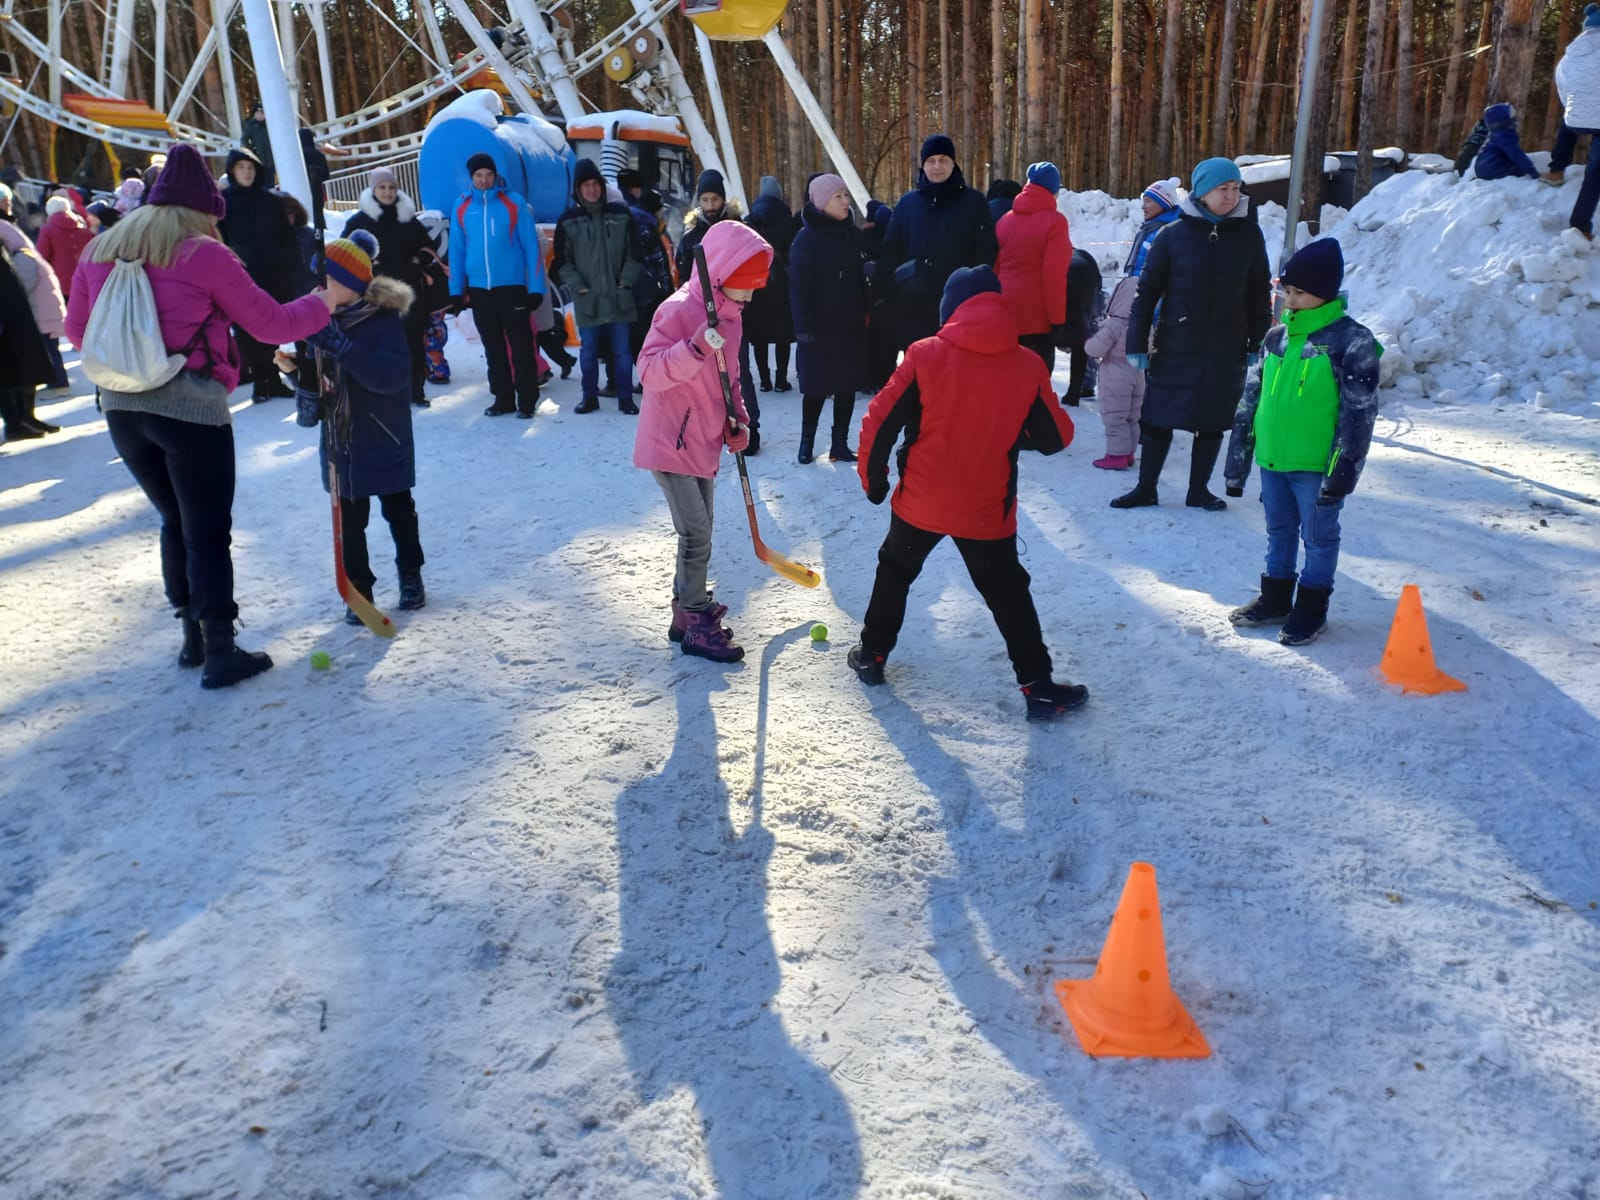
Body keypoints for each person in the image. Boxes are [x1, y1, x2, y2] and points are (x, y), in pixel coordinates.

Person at [64, 143, 335, 689]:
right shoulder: (204, 255)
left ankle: (190, 634)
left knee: (174, 521)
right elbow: (271, 325)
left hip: (121, 410)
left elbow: (76, 332)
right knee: (207, 531)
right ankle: (220, 649)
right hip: (189, 409)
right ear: (203, 209)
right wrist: (325, 302)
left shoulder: (101, 249)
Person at [850, 265, 1086, 721]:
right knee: (1007, 592)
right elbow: (1057, 437)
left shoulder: (923, 354)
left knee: (895, 570)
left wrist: (874, 481)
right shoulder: (1026, 363)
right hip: (985, 509)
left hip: (921, 500)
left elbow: (879, 421)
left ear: (950, 310)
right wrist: (1011, 424)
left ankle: (872, 654)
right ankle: (1037, 685)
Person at [1223, 238, 1381, 645]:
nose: (1289, 301)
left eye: (1300, 293)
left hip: (1316, 466)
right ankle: (1275, 597)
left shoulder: (1352, 341)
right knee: (1279, 529)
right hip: (1274, 459)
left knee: (1318, 535)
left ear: (1325, 293)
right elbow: (1251, 398)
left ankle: (1311, 606)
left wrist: (1343, 470)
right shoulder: (1275, 338)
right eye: (1286, 291)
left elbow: (1358, 415)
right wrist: (1239, 460)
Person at [633, 220, 771, 663]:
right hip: (669, 440)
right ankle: (693, 617)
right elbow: (649, 372)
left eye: (753, 290)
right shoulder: (677, 311)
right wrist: (692, 350)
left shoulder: (730, 317)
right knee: (696, 534)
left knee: (701, 530)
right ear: (718, 276)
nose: (749, 298)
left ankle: (684, 610)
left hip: (703, 441)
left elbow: (729, 379)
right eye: (742, 287)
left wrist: (739, 421)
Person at [279, 232, 428, 618]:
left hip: (383, 433)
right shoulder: (320, 323)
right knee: (349, 521)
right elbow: (319, 388)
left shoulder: (383, 322)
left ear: (351, 285)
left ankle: (410, 574)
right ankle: (359, 588)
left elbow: (391, 377)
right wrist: (297, 372)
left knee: (398, 509)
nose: (317, 288)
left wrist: (342, 346)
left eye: (324, 281)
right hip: (341, 440)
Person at [1115, 156, 1270, 511]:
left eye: (1235, 188)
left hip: (1227, 345)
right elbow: (1147, 292)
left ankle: (1198, 490)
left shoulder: (1249, 234)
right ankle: (1146, 488)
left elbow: (1259, 290)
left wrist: (1257, 340)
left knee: (1212, 421)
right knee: (1157, 419)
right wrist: (1137, 342)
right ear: (1202, 192)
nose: (1230, 196)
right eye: (1222, 189)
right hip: (1177, 344)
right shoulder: (1174, 235)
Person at [876, 133, 998, 349]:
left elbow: (986, 252)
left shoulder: (973, 202)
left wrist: (967, 288)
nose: (937, 166)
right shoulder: (907, 204)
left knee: (955, 375)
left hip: (959, 308)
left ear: (953, 163)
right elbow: (890, 249)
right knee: (917, 373)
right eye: (931, 161)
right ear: (923, 166)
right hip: (913, 308)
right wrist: (898, 283)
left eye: (943, 160)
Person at [448, 151, 546, 418]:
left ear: (495, 175)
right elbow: (456, 251)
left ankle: (526, 400)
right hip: (481, 290)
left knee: (521, 346)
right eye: (478, 175)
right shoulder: (461, 206)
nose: (484, 180)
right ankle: (502, 398)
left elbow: (531, 248)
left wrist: (536, 287)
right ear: (472, 177)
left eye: (488, 175)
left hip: (511, 287)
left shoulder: (514, 203)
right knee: (493, 348)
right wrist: (456, 290)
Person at [551, 158, 644, 414]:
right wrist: (578, 286)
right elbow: (562, 260)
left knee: (623, 352)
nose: (591, 189)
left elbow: (635, 252)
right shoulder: (568, 220)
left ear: (602, 186)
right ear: (578, 190)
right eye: (586, 185)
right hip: (588, 299)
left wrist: (626, 281)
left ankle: (625, 398)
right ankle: (589, 396)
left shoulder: (621, 214)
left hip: (619, 297)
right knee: (589, 353)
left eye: (595, 184)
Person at [343, 166, 440, 408]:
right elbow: (345, 254)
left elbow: (429, 248)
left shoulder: (407, 218)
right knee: (382, 341)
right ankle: (384, 390)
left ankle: (416, 389)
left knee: (412, 341)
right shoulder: (359, 221)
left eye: (391, 187)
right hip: (376, 293)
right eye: (382, 187)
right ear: (373, 190)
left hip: (408, 292)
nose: (387, 192)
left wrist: (417, 260)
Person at [789, 172, 868, 464]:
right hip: (818, 330)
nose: (846, 201)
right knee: (816, 388)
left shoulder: (851, 235)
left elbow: (861, 279)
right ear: (822, 202)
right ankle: (806, 442)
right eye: (839, 196)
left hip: (848, 326)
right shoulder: (806, 239)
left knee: (846, 386)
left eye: (846, 194)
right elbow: (798, 287)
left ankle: (839, 444)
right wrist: (803, 329)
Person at [218, 147, 297, 401]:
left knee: (271, 326)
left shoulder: (271, 201)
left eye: (251, 168)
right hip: (240, 275)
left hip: (272, 273)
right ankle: (259, 380)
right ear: (232, 171)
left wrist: (286, 265)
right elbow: (218, 238)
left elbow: (287, 238)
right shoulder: (223, 203)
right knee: (246, 329)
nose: (247, 173)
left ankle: (273, 378)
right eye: (241, 168)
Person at [995, 160, 1070, 371]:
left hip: (1005, 312)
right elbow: (1054, 276)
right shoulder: (1055, 222)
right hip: (1037, 319)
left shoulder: (1005, 220)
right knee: (1036, 386)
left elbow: (995, 268)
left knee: (1007, 378)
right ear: (1054, 191)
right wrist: (1057, 319)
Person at [0, 202, 69, 404]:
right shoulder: (27, 252)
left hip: (38, 311)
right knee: (50, 348)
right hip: (44, 309)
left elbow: (24, 284)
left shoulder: (21, 257)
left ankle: (58, 383)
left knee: (47, 349)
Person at [1547, 6, 1600, 238]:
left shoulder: (1570, 56)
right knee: (1596, 172)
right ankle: (1579, 223)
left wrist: (1575, 108)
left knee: (1568, 122)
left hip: (1578, 117)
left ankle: (1556, 170)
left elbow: (1563, 89)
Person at [1083, 273, 1144, 469]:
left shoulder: (1114, 326)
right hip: (1138, 373)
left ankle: (1116, 456)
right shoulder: (1144, 326)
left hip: (1115, 374)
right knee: (1132, 416)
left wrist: (1089, 343)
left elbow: (1095, 349)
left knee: (1115, 416)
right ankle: (1129, 453)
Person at [743, 175, 797, 392]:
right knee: (782, 335)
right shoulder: (788, 221)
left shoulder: (749, 221)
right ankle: (781, 380)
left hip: (756, 284)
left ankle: (764, 379)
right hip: (781, 284)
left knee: (760, 336)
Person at [0, 245, 57, 441]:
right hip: (6, 314)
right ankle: (15, 423)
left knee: (25, 365)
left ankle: (26, 417)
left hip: (15, 312)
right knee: (7, 372)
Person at [859, 197, 900, 392]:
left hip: (867, 301)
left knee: (869, 343)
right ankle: (885, 380)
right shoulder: (893, 243)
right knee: (887, 344)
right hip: (888, 301)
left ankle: (869, 380)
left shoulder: (861, 241)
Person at [674, 168, 740, 285]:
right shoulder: (690, 238)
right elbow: (684, 280)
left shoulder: (739, 231)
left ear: (723, 199)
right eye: (705, 200)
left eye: (715, 199)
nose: (710, 206)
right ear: (699, 201)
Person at [1058, 247, 1104, 406]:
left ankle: (1042, 389)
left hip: (1062, 280)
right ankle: (1075, 392)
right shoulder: (1084, 256)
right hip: (1086, 286)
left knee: (1047, 337)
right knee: (1080, 341)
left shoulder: (1056, 255)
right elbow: (1099, 285)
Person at [1124, 178, 1182, 276]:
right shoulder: (1148, 230)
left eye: (1148, 201)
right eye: (1143, 201)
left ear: (1163, 204)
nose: (1143, 206)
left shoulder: (1172, 232)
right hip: (1139, 287)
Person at [1469, 103, 1540, 180]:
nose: (1515, 120)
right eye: (1512, 118)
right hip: (1491, 168)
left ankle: (1484, 176)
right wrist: (1533, 172)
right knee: (1520, 169)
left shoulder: (1496, 135)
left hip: (1484, 168)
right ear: (1505, 121)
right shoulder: (1504, 136)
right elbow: (1517, 155)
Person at [239, 101, 276, 185]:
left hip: (271, 159)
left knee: (270, 181)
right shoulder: (251, 125)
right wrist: (250, 151)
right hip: (258, 159)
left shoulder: (270, 125)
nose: (259, 115)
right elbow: (244, 139)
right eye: (257, 113)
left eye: (262, 113)